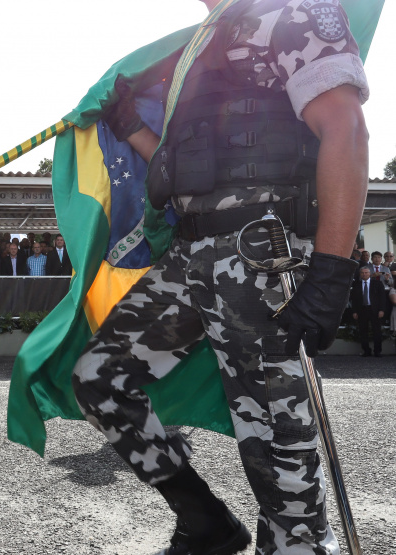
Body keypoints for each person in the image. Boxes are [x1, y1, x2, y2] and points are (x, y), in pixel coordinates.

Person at [71, 0, 369, 553]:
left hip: (262, 256)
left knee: (277, 440)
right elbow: (178, 169)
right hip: (192, 255)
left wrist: (331, 270)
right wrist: (131, 125)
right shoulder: (202, 45)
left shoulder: (295, 12)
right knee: (100, 378)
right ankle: (205, 521)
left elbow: (347, 130)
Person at [351, 266, 386, 357]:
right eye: (362, 273)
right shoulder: (356, 284)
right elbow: (354, 299)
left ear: (370, 273)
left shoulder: (377, 283)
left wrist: (381, 310)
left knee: (377, 331)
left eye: (366, 272)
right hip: (362, 310)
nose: (364, 274)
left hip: (374, 310)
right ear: (360, 274)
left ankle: (377, 351)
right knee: (363, 331)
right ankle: (366, 351)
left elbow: (382, 298)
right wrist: (354, 311)